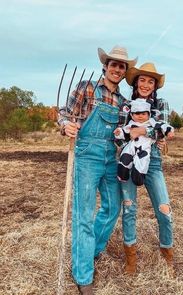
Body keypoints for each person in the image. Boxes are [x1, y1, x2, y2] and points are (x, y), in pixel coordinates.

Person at [58, 45, 138, 294]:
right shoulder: (86, 87)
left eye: (121, 66)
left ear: (124, 72)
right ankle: (83, 276)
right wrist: (66, 126)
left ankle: (87, 250)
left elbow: (127, 133)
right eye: (113, 64)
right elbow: (64, 113)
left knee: (113, 207)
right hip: (87, 155)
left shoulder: (124, 102)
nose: (116, 69)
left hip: (111, 157)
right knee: (83, 214)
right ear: (105, 66)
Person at [119, 62, 175, 274]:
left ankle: (167, 253)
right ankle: (131, 258)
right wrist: (142, 133)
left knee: (164, 209)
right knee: (129, 208)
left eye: (150, 81)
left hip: (153, 162)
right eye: (142, 79)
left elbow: (162, 132)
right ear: (135, 82)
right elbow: (122, 133)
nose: (145, 84)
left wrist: (139, 130)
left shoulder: (161, 104)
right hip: (128, 159)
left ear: (155, 86)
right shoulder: (126, 105)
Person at [114, 99, 174, 186]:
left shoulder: (151, 123)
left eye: (143, 114)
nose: (140, 116)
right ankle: (122, 175)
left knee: (142, 162)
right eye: (137, 114)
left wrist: (169, 131)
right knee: (124, 158)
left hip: (144, 148)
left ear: (149, 114)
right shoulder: (130, 124)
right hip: (131, 146)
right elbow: (124, 132)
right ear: (132, 115)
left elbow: (163, 126)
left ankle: (138, 177)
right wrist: (119, 133)